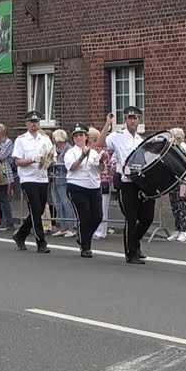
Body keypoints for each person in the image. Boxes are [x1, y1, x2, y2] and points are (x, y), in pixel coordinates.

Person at [106, 107, 154, 264]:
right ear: (125, 120)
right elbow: (100, 142)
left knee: (147, 218)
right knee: (131, 218)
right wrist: (107, 124)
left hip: (140, 183)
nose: (133, 121)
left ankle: (135, 242)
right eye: (130, 118)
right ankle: (130, 252)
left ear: (139, 120)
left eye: (136, 118)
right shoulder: (117, 136)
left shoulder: (141, 141)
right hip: (126, 183)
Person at [11, 110, 53, 254]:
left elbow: (52, 156)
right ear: (27, 124)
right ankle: (41, 242)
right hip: (28, 178)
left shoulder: (45, 139)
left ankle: (21, 234)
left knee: (40, 209)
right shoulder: (21, 140)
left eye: (36, 122)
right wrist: (33, 160)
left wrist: (49, 160)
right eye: (31, 122)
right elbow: (17, 161)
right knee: (35, 208)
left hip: (42, 177)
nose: (34, 124)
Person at [66, 123, 108, 257]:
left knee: (98, 216)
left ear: (86, 137)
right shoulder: (71, 152)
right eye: (76, 136)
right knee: (85, 217)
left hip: (93, 186)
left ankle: (84, 237)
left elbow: (100, 169)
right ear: (73, 139)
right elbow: (72, 167)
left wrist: (102, 161)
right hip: (77, 187)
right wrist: (82, 156)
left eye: (81, 135)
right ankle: (86, 247)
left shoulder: (94, 152)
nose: (79, 138)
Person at [166, 127, 186, 242]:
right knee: (174, 205)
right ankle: (177, 229)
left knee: (181, 204)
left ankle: (184, 230)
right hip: (173, 181)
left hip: (182, 181)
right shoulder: (173, 148)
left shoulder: (184, 148)